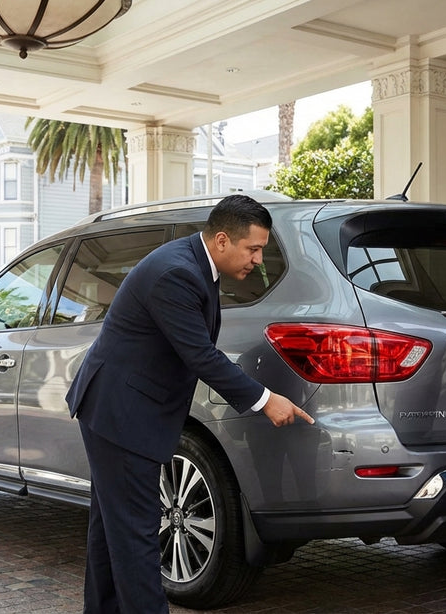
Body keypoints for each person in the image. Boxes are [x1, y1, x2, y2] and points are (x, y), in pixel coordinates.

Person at [65, 193, 315, 614]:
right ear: (222, 240)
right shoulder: (176, 274)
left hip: (120, 409)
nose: (258, 259)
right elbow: (199, 355)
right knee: (137, 536)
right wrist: (264, 399)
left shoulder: (193, 264)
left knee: (113, 532)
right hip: (122, 414)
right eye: (253, 248)